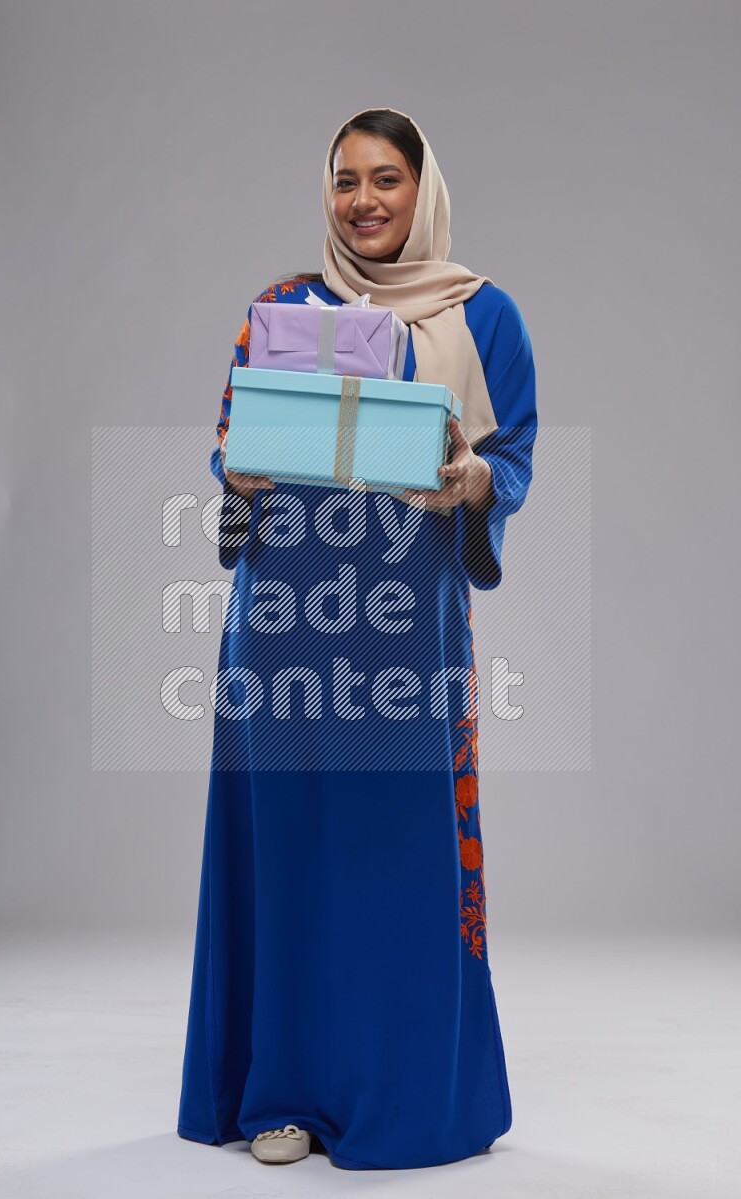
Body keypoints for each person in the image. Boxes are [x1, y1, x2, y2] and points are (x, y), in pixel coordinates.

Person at [177, 106, 537, 1171]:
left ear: (421, 189)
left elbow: (508, 457)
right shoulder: (280, 308)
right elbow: (231, 453)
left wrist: (466, 477)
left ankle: (401, 1086)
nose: (364, 200)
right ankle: (280, 1087)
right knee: (287, 846)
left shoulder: (485, 317)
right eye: (345, 180)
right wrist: (232, 474)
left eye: (385, 178)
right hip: (284, 617)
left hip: (402, 626)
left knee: (395, 848)